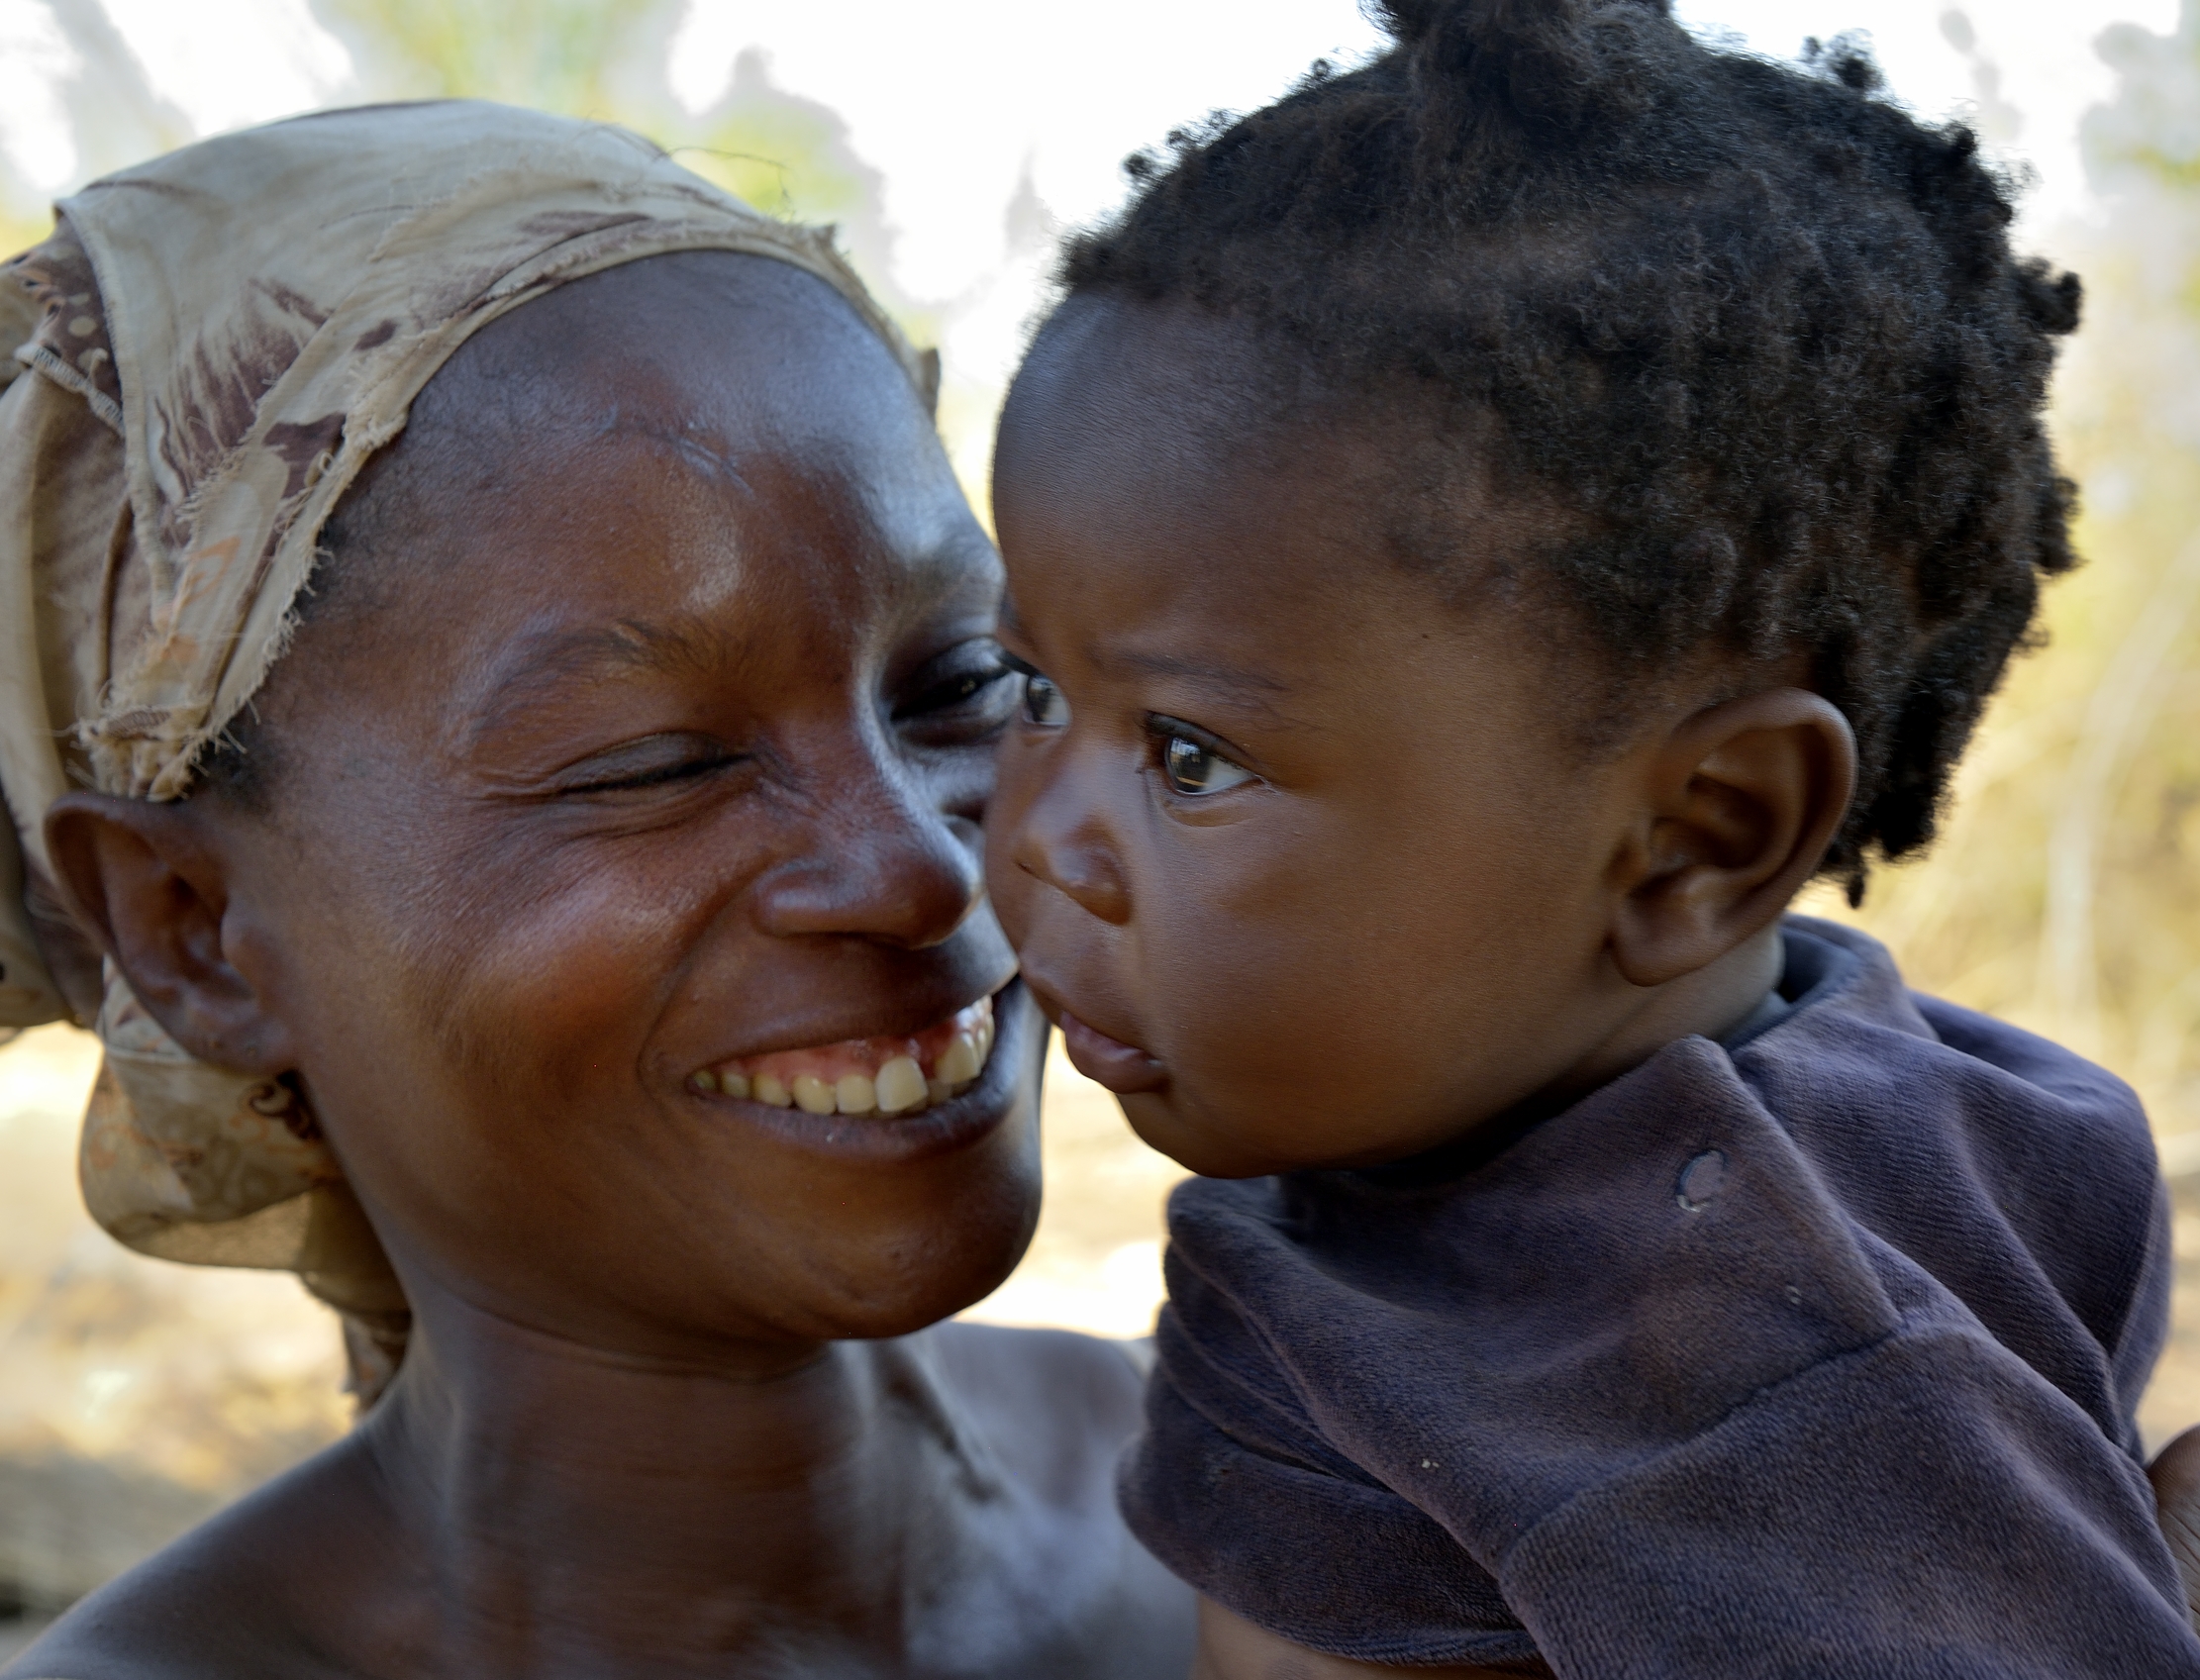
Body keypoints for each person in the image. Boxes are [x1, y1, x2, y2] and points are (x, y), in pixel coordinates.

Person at [982, 1, 2200, 1674]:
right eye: (1024, 686)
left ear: (1699, 841)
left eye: (1189, 754)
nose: (1034, 832)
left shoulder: (1732, 1361)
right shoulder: (1725, 1136)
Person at [0, 102, 1193, 1678]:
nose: (913, 863)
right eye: (652, 762)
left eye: (961, 680)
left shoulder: (1271, 1500)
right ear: (191, 929)